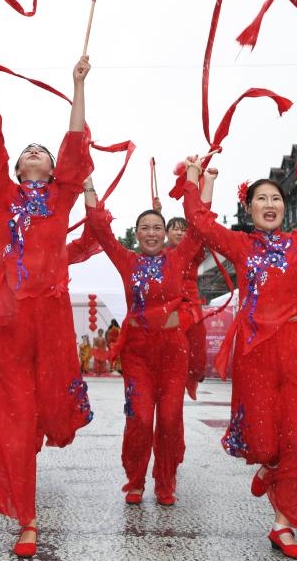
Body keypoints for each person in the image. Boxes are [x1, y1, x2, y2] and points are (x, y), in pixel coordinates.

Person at [182, 154, 297, 560]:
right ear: (248, 209)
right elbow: (199, 222)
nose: (270, 205)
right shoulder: (239, 244)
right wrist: (198, 177)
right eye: (261, 199)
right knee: (265, 439)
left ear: (283, 209)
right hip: (256, 351)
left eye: (276, 199)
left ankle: (283, 525)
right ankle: (270, 466)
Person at [0, 48, 92, 559]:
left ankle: (45, 429)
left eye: (41, 151)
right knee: (15, 419)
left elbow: (74, 142)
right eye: (30, 152)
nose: (36, 154)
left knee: (53, 411)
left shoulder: (63, 196)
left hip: (54, 319)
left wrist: (78, 84)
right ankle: (27, 517)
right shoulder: (4, 194)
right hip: (11, 318)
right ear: (19, 167)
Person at [85, 188, 201, 507]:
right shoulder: (126, 260)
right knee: (138, 416)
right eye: (145, 228)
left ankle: (165, 481)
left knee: (169, 417)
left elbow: (200, 222)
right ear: (136, 234)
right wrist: (87, 183)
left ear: (166, 234)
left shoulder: (178, 258)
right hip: (137, 352)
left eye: (157, 228)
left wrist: (199, 180)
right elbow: (99, 229)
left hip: (173, 352)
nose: (151, 233)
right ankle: (135, 480)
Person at [157, 206, 208, 400]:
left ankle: (192, 378)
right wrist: (158, 213)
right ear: (167, 233)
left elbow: (199, 233)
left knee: (197, 343)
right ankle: (170, 378)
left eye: (183, 229)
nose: (179, 232)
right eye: (175, 229)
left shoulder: (193, 250)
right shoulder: (161, 254)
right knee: (171, 345)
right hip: (171, 305)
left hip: (192, 302)